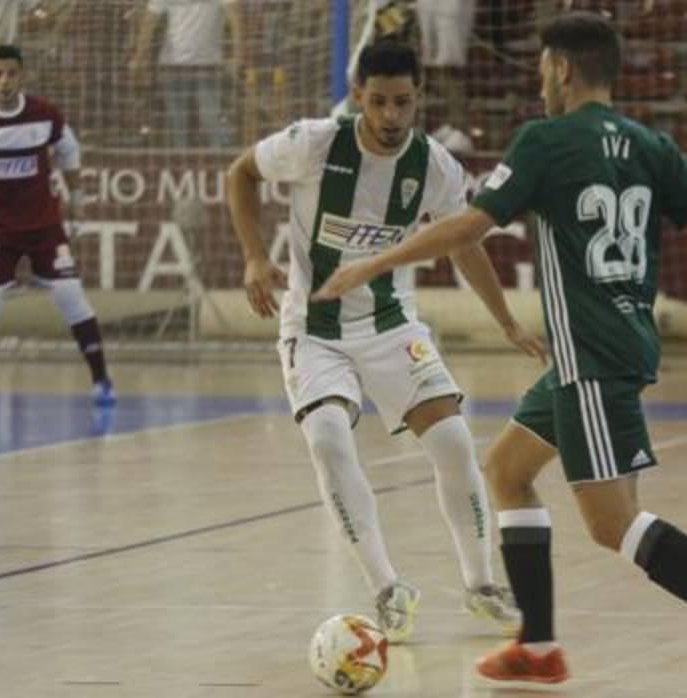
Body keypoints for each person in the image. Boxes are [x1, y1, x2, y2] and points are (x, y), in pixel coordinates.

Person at [311, 13, 687, 697]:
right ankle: (539, 647)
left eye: (543, 69)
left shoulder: (546, 142)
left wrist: (375, 263)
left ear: (563, 69)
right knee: (508, 471)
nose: (538, 81)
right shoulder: (649, 144)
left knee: (612, 524)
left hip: (590, 355)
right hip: (617, 342)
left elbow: (469, 226)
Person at [225, 39, 544, 643]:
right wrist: (251, 257)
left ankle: (481, 585)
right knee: (326, 439)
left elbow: (464, 242)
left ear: (417, 96)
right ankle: (387, 587)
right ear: (359, 98)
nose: (392, 116)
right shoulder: (314, 142)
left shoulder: (434, 165)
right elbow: (240, 172)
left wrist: (503, 318)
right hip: (314, 330)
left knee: (452, 440)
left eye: (403, 102)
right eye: (379, 103)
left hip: (391, 324)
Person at [0, 44, 115, 407]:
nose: (4, 81)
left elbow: (70, 151)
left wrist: (78, 200)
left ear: (22, 76)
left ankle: (102, 381)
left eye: (11, 73)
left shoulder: (44, 114)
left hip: (44, 226)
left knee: (70, 295)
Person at [128, 0, 243, 148]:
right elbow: (149, 22)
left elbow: (235, 16)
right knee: (178, 124)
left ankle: (219, 164)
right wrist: (139, 57)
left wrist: (239, 54)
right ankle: (182, 163)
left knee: (210, 120)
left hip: (207, 65)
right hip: (173, 66)